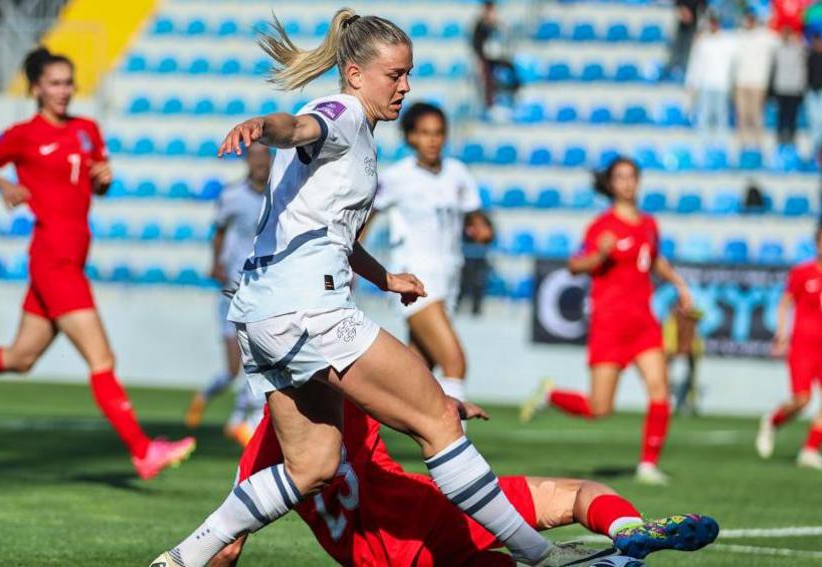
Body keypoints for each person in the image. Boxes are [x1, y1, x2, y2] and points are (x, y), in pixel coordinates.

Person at [150, 11, 577, 567]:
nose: (404, 87)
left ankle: (182, 559)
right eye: (394, 75)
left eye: (409, 74)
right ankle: (540, 555)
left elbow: (328, 230)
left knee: (313, 467)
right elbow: (300, 126)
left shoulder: (359, 134)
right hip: (309, 309)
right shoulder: (343, 113)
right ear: (354, 73)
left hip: (265, 312)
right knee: (438, 420)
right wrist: (264, 125)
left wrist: (384, 277)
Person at [0, 47, 196, 481]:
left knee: (20, 357)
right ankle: (142, 449)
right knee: (102, 358)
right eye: (54, 83)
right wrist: (2, 183)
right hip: (54, 260)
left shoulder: (88, 129)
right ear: (36, 87)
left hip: (71, 256)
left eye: (68, 82)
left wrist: (104, 181)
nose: (63, 91)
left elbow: (95, 186)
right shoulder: (24, 134)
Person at [202, 400, 719, 567]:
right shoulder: (349, 384)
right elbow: (409, 400)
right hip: (427, 517)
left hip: (381, 558)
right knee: (574, 495)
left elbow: (226, 550)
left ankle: (609, 556)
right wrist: (446, 403)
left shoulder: (265, 441)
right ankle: (627, 532)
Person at [519, 157, 694, 486]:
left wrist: (679, 284)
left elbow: (654, 260)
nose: (627, 183)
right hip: (610, 324)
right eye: (621, 177)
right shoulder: (601, 226)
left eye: (632, 177)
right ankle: (550, 394)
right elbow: (574, 266)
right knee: (600, 407)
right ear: (611, 185)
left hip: (643, 322)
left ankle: (647, 465)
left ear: (638, 181)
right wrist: (599, 255)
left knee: (660, 391)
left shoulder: (649, 224)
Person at [373, 102, 494, 410]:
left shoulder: (457, 173)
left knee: (415, 375)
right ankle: (456, 450)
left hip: (449, 278)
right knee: (455, 362)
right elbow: (363, 219)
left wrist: (481, 230)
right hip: (416, 278)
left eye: (438, 133)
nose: (432, 140)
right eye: (424, 133)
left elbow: (476, 219)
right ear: (410, 137)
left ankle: (363, 434)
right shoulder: (397, 177)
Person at [184, 144, 272, 446]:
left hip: (263, 286)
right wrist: (216, 264)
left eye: (265, 156)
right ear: (248, 161)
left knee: (259, 355)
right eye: (255, 156)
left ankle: (242, 421)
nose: (260, 162)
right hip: (232, 287)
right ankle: (210, 399)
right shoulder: (233, 195)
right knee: (233, 368)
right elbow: (219, 231)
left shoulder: (280, 195)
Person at [756, 224, 822, 470]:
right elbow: (785, 303)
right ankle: (773, 421)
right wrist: (782, 333)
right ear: (817, 244)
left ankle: (810, 451)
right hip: (803, 344)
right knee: (802, 400)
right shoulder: (802, 273)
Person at [686, 15, 738, 145]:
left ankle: (721, 148)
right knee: (704, 115)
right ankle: (704, 146)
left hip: (722, 84)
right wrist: (691, 82)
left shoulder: (728, 41)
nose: (713, 26)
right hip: (706, 84)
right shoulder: (703, 42)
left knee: (721, 116)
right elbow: (696, 63)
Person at [733, 11, 778, 149]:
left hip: (758, 83)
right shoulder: (740, 36)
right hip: (741, 82)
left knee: (756, 115)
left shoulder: (766, 37)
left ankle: (759, 145)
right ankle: (743, 146)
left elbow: (780, 40)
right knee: (741, 116)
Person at [471, 0, 519, 113]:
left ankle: (511, 96)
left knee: (511, 68)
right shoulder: (479, 26)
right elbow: (476, 44)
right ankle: (489, 105)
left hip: (498, 57)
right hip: (485, 59)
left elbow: (505, 40)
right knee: (487, 79)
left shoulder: (498, 25)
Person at [771, 27, 808, 146]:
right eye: (784, 34)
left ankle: (791, 143)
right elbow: (774, 69)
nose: (786, 37)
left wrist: (801, 86)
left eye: (788, 34)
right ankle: (780, 144)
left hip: (794, 89)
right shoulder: (778, 49)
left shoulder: (798, 49)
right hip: (780, 88)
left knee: (792, 118)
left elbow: (803, 68)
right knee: (781, 118)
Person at [664, 307, 704, 416]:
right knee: (671, 379)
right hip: (674, 352)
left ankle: (685, 404)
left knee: (688, 380)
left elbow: (701, 315)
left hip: (689, 352)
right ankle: (669, 403)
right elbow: (669, 334)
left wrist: (690, 311)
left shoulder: (693, 315)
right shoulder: (672, 317)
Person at [664, 0, 706, 79]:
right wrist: (682, 10)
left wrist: (700, 27)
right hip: (682, 22)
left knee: (689, 48)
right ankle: (671, 69)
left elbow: (703, 8)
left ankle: (684, 70)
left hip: (694, 23)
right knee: (677, 46)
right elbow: (677, 3)